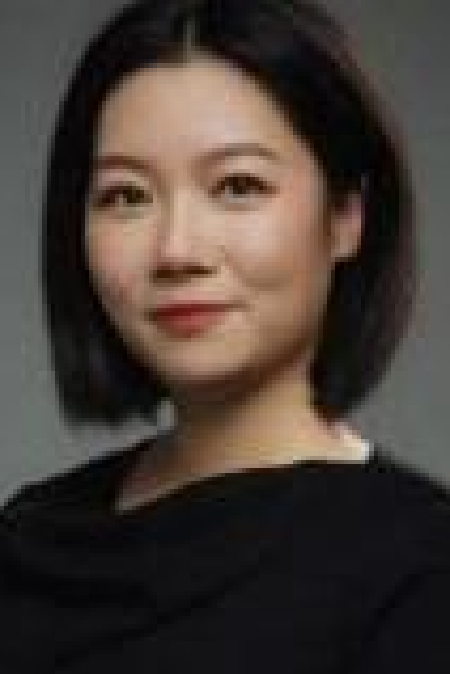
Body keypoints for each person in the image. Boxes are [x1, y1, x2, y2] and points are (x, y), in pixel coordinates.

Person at [1, 0, 449, 671]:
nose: (176, 250)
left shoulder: (419, 567)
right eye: (126, 196)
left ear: (346, 215)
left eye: (238, 186)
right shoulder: (33, 535)